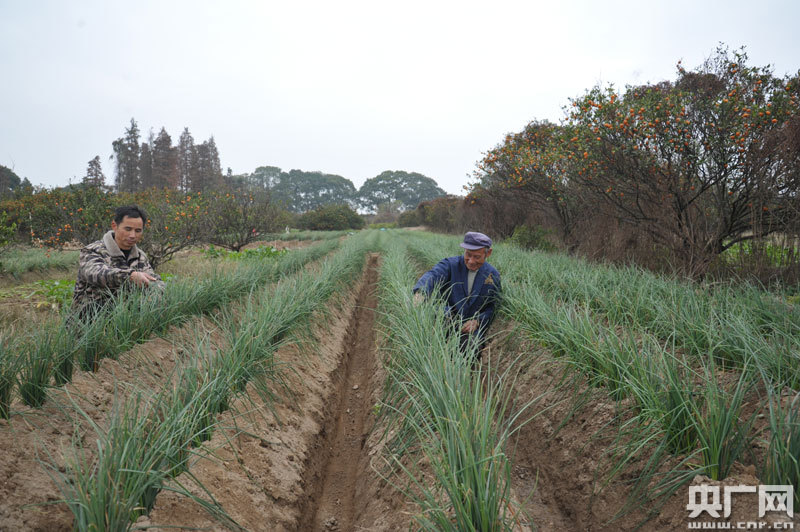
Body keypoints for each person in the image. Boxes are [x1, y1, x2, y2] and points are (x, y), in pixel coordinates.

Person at [412, 231, 502, 363]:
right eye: (468, 255)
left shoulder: (492, 275)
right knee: (435, 350)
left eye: (477, 257)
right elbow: (432, 275)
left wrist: (477, 321)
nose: (471, 261)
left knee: (470, 349)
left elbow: (492, 307)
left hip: (468, 330)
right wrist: (420, 292)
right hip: (445, 323)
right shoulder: (450, 265)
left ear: (488, 253)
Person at [71, 205, 163, 322]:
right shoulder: (93, 250)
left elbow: (153, 280)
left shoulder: (140, 256)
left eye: (138, 231)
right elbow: (95, 274)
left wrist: (157, 291)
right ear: (114, 226)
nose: (132, 235)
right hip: (89, 319)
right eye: (128, 229)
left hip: (124, 318)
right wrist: (130, 276)